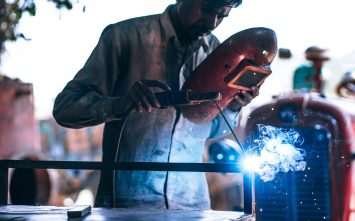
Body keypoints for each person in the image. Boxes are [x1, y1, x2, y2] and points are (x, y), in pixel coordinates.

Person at [53, 0, 260, 210]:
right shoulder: (124, 37)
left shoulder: (216, 53)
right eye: (207, 10)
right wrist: (119, 105)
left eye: (222, 16)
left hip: (192, 206)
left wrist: (233, 107)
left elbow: (207, 128)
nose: (211, 22)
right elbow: (65, 108)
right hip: (128, 207)